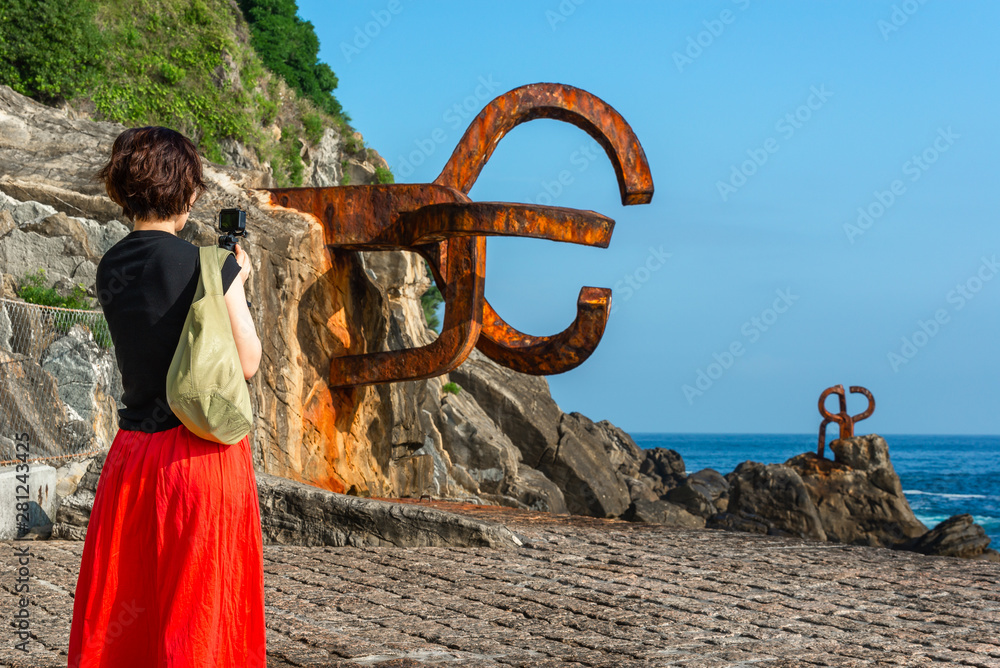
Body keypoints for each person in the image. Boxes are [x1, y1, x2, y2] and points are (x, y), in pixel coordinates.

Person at [66, 126, 267, 667]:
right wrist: (235, 281)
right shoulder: (208, 265)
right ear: (189, 192)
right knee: (198, 615)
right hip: (197, 459)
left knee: (128, 613)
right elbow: (247, 363)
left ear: (122, 188)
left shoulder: (112, 264)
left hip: (132, 457)